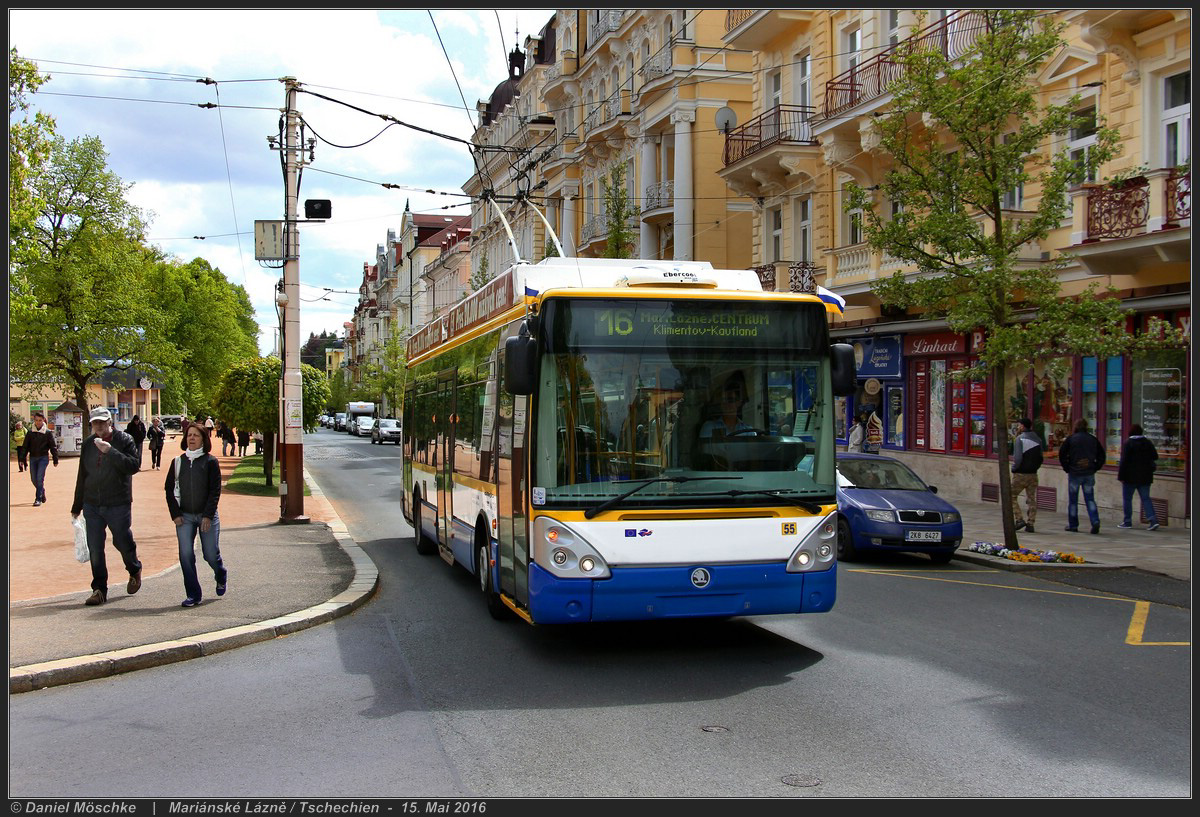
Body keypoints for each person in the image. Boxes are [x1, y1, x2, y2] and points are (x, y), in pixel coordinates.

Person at [71, 407, 143, 606]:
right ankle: (99, 589)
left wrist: (110, 451)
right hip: (92, 504)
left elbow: (133, 466)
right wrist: (77, 505)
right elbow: (82, 475)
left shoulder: (124, 440)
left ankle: (134, 568)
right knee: (95, 548)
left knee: (121, 541)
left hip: (118, 502)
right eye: (95, 423)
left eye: (103, 422)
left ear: (110, 421)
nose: (99, 426)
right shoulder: (87, 444)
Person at [165, 424, 227, 607]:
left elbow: (215, 491)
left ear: (203, 439)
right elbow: (169, 490)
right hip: (184, 516)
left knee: (209, 554)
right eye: (189, 435)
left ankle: (220, 573)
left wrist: (207, 516)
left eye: (196, 436)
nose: (191, 438)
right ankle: (193, 594)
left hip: (206, 516)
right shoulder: (178, 462)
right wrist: (175, 514)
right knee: (185, 555)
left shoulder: (210, 462)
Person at [1059, 418, 1105, 534]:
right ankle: (1095, 521)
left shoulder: (1071, 439)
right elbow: (1101, 455)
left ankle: (1073, 524)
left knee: (1073, 500)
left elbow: (1062, 454)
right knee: (1090, 499)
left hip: (1074, 472)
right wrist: (1095, 466)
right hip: (1088, 472)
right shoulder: (1092, 439)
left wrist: (1067, 467)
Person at [1117, 424, 1160, 531]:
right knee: (1145, 498)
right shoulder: (1147, 442)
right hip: (1145, 476)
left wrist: (1121, 476)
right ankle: (1152, 520)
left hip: (1129, 477)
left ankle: (1127, 521)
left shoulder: (1128, 443)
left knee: (1127, 499)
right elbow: (1155, 456)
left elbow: (1124, 461)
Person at [1010, 417, 1043, 533]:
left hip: (1021, 474)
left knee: (1011, 496)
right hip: (1033, 474)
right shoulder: (1038, 439)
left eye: (1019, 425)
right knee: (1031, 498)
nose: (1018, 427)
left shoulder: (1020, 439)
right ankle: (1031, 523)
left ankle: (1019, 519)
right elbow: (1041, 458)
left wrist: (1014, 468)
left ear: (1023, 426)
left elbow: (1018, 458)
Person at [699, 372, 755, 438]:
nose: (725, 403)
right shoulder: (709, 427)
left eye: (730, 400)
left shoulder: (748, 431)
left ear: (739, 402)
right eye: (723, 400)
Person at [23, 412, 59, 506]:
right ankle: (42, 491)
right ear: (34, 421)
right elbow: (25, 446)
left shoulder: (47, 433)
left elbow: (53, 446)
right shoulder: (30, 433)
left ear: (43, 420)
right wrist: (22, 459)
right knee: (33, 479)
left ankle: (38, 498)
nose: (38, 422)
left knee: (39, 478)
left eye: (40, 420)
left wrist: (55, 459)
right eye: (36, 420)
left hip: (43, 458)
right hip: (33, 458)